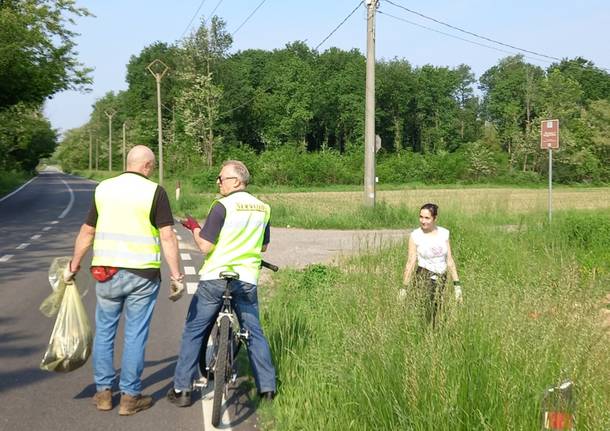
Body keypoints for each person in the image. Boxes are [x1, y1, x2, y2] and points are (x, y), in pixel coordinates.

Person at [63, 145, 184, 416]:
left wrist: (73, 265)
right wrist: (177, 275)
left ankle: (104, 393)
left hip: (106, 272)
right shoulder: (155, 191)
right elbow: (167, 237)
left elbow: (87, 231)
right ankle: (130, 397)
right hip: (142, 274)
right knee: (135, 334)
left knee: (105, 331)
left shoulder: (104, 188)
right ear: (148, 166)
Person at [167, 160, 276, 407]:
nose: (218, 182)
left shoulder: (222, 206)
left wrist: (194, 228)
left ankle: (182, 389)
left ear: (236, 181)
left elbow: (205, 245)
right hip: (246, 279)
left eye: (221, 178)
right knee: (254, 332)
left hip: (216, 278)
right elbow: (264, 246)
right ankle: (267, 389)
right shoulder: (263, 208)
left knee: (194, 330)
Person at [401, 203, 462, 327]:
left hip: (441, 278)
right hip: (424, 277)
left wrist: (457, 285)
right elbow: (411, 262)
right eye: (421, 217)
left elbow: (449, 260)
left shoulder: (444, 233)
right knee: (426, 312)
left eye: (427, 218)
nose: (423, 221)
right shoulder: (415, 236)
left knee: (436, 310)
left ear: (435, 218)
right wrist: (404, 288)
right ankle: (424, 334)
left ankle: (431, 334)